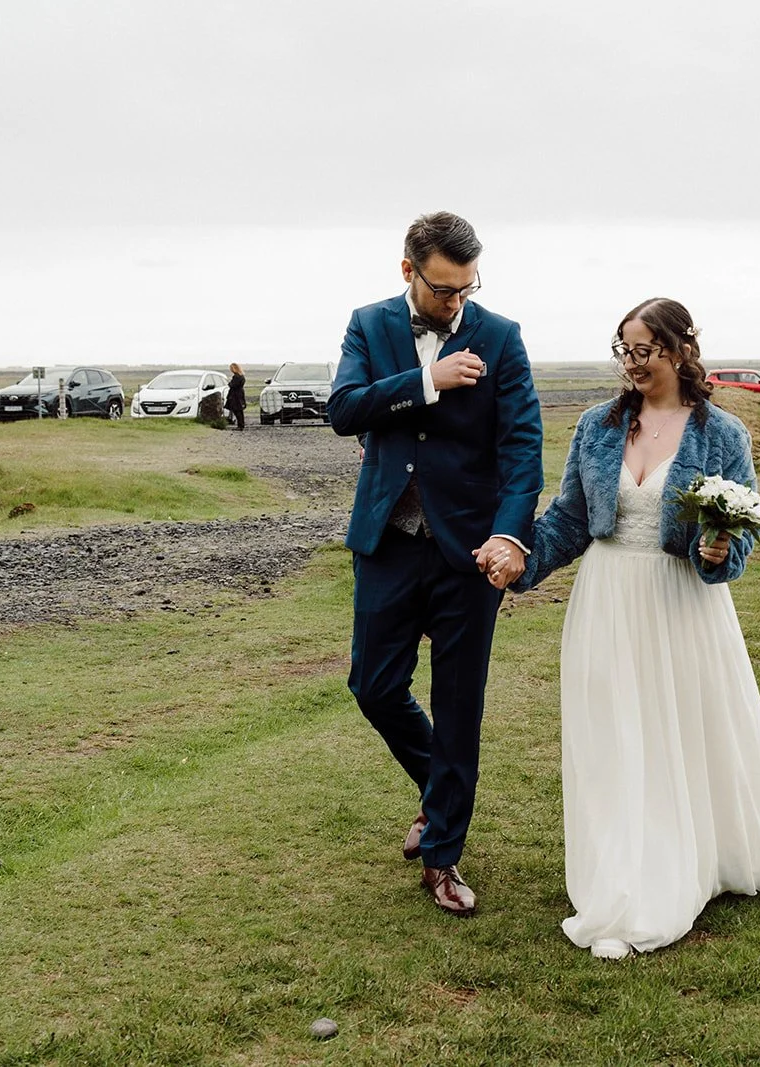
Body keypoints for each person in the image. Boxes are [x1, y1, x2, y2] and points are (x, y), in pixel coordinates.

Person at [483, 298, 760, 959]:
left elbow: (736, 538)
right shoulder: (596, 428)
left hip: (680, 604)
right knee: (613, 737)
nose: (631, 364)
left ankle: (676, 870)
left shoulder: (722, 435)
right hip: (606, 600)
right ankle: (623, 871)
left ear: (681, 349)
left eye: (643, 350)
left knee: (674, 733)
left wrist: (717, 551)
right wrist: (521, 557)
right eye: (623, 350)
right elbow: (569, 520)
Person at [326, 211, 543, 917]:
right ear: (408, 271)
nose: (456, 302)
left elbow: (522, 448)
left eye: (466, 288)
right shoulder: (369, 324)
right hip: (388, 539)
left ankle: (444, 852)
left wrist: (511, 536)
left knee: (458, 706)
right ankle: (438, 791)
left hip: (469, 553)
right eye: (443, 288)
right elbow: (343, 410)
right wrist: (428, 378)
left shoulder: (503, 337)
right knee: (374, 686)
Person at [225, 363, 247, 430]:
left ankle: (240, 426)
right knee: (239, 411)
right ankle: (241, 425)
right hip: (239, 394)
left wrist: (230, 383)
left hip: (235, 395)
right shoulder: (242, 376)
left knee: (237, 410)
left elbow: (232, 385)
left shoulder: (236, 377)